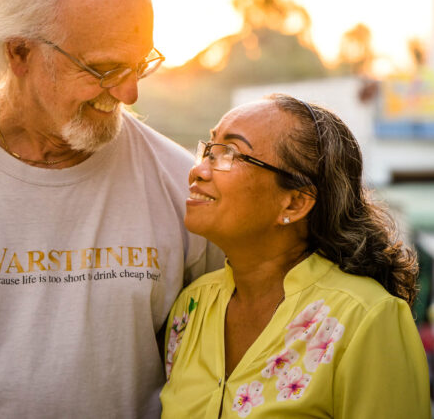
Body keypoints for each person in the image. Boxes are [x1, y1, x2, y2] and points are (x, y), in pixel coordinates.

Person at [0, 0, 222, 419]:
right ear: (19, 54)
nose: (129, 92)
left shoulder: (181, 187)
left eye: (139, 64)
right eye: (105, 69)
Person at [160, 94, 430, 418]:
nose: (198, 171)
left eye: (229, 154)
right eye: (209, 149)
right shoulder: (190, 309)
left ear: (294, 203)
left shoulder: (365, 318)